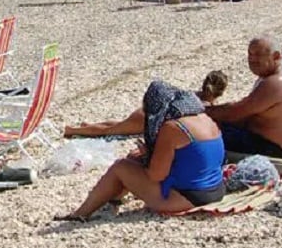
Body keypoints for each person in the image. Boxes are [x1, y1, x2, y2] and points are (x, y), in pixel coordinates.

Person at [59, 81, 225, 220]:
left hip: (189, 198)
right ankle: (114, 199)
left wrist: (149, 156)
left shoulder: (172, 128)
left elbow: (156, 175)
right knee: (135, 160)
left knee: (121, 166)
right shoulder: (205, 119)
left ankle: (80, 214)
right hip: (216, 190)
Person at [205, 37, 282, 159]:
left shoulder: (274, 83)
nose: (252, 59)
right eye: (250, 54)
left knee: (203, 130)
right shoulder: (280, 76)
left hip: (274, 152)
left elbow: (234, 113)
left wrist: (202, 111)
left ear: (276, 56)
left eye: (258, 54)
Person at [64, 71, 228, 137]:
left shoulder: (192, 95)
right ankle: (73, 130)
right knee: (109, 131)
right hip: (151, 118)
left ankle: (88, 126)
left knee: (120, 124)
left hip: (149, 109)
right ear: (220, 92)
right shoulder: (205, 108)